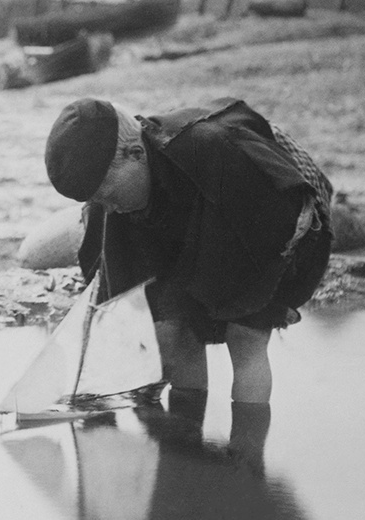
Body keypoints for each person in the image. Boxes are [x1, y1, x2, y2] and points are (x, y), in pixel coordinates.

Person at [44, 96, 332, 404]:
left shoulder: (216, 152)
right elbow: (122, 290)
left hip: (267, 202)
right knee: (172, 332)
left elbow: (277, 230)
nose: (107, 209)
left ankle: (248, 449)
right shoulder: (115, 198)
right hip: (182, 204)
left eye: (107, 196)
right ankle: (186, 433)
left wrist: (272, 299)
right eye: (97, 202)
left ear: (136, 153)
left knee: (246, 336)